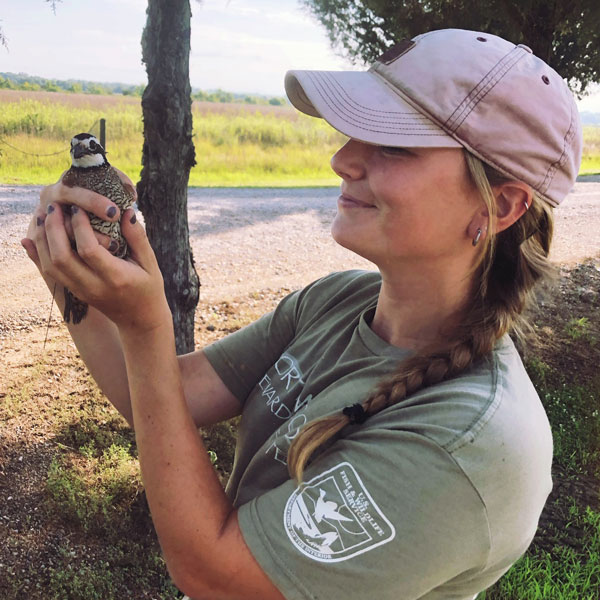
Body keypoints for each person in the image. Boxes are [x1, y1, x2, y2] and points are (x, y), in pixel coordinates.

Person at [22, 28, 582, 600]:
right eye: (355, 133)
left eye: (393, 146)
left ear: (504, 205)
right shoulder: (338, 301)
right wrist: (72, 279)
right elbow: (163, 396)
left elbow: (217, 577)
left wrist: (145, 327)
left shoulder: (471, 445)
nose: (342, 159)